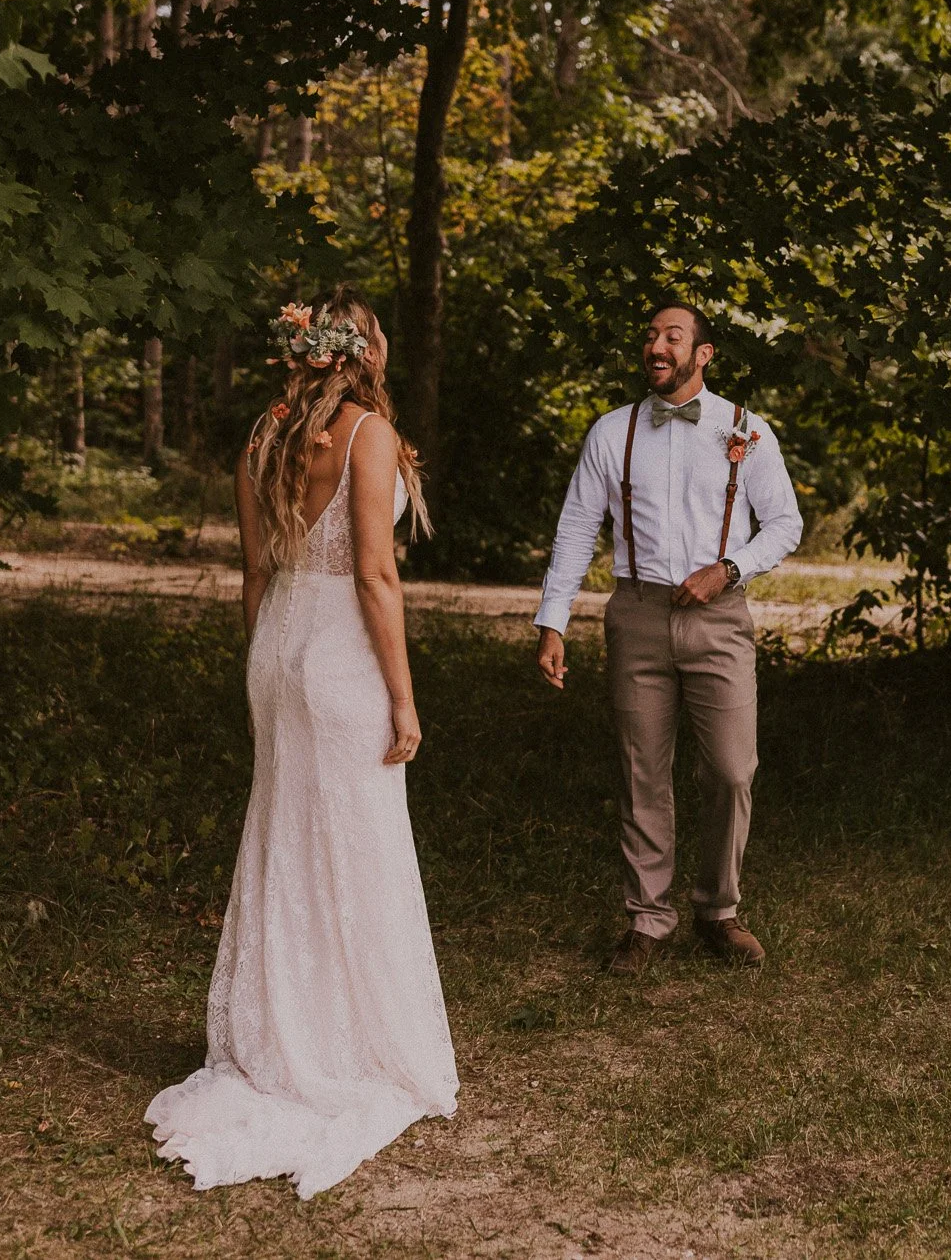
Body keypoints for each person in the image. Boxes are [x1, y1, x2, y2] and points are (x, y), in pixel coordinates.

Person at [145, 287, 457, 1198]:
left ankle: (283, 1031)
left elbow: (254, 569)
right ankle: (347, 1043)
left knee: (285, 838)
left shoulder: (264, 434)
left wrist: (260, 673)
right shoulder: (366, 436)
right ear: (363, 350)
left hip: (278, 648)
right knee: (356, 843)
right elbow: (374, 574)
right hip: (338, 660)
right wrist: (403, 698)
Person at [534, 301, 803, 975]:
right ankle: (647, 917)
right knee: (641, 770)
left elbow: (785, 522)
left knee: (732, 769)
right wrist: (553, 621)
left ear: (702, 354)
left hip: (719, 617)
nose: (656, 345)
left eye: (671, 336)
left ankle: (718, 909)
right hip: (638, 615)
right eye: (650, 334)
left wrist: (730, 568)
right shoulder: (612, 432)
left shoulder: (746, 429)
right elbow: (575, 527)